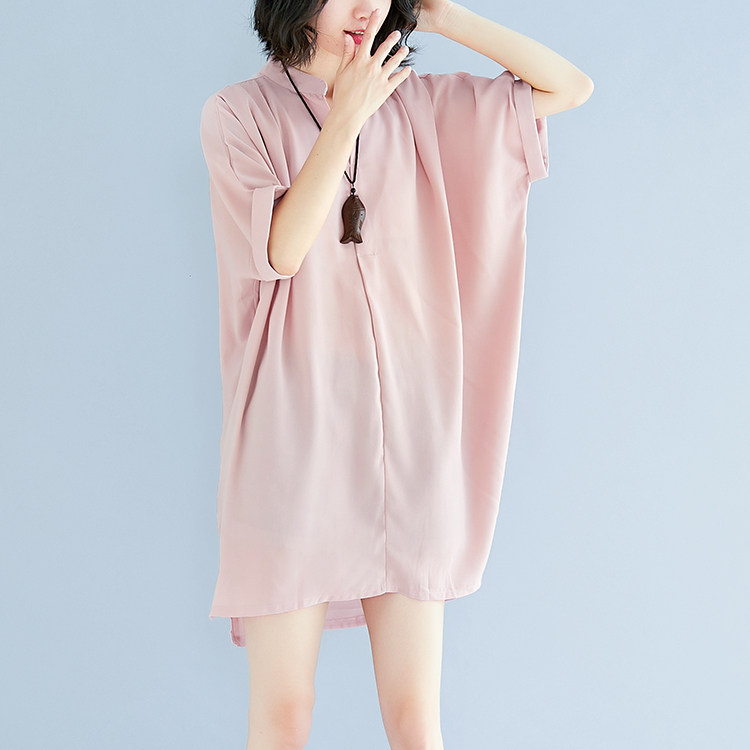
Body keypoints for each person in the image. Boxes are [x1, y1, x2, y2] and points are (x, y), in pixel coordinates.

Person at [199, 1, 593, 748]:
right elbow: (282, 250)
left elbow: (569, 87)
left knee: (415, 718)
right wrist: (345, 117)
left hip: (409, 440)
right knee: (284, 716)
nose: (365, 7)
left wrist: (440, 16)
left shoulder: (420, 106)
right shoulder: (239, 114)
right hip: (293, 436)